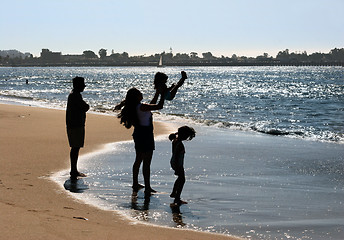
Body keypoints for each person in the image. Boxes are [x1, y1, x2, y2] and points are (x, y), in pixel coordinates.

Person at [116, 87, 165, 195]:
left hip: (138, 134)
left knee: (138, 160)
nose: (141, 94)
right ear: (136, 97)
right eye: (139, 93)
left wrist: (157, 93)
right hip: (146, 135)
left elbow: (151, 106)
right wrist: (163, 95)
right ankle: (147, 187)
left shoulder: (135, 107)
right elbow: (159, 106)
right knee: (146, 162)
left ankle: (135, 183)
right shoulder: (141, 106)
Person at [66, 76, 89, 179]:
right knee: (75, 147)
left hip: (74, 124)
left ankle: (74, 170)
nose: (84, 87)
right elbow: (85, 107)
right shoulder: (75, 96)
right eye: (82, 85)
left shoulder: (74, 95)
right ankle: (73, 170)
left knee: (75, 147)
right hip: (76, 125)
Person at [169, 126, 196, 205]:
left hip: (174, 162)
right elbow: (177, 156)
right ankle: (177, 198)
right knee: (182, 180)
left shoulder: (175, 140)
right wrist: (178, 168)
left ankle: (174, 193)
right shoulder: (179, 144)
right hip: (178, 163)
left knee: (180, 178)